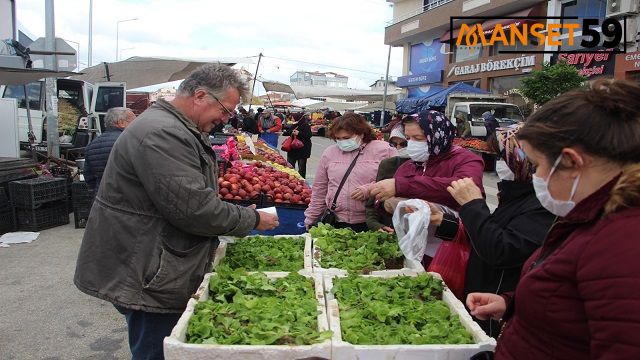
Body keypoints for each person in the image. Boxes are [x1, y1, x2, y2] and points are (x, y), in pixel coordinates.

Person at [74, 64, 279, 360]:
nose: (225, 119)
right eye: (224, 110)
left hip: (149, 258)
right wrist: (253, 218)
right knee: (156, 349)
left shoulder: (171, 126)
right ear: (199, 95)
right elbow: (194, 210)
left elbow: (185, 196)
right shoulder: (163, 133)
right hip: (147, 268)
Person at [467, 79, 640, 358]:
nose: (534, 176)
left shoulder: (622, 241)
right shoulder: (589, 215)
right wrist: (513, 304)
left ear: (571, 161)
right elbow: (573, 301)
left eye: (537, 165)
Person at [427, 125, 554, 337]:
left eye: (503, 158)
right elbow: (489, 233)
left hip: (497, 306)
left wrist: (473, 205)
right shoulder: (516, 194)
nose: (500, 165)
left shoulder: (544, 203)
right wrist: (446, 222)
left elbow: (502, 249)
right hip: (488, 298)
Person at [370, 110, 485, 266]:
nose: (412, 144)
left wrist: (401, 186)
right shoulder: (409, 166)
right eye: (408, 138)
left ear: (438, 135)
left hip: (452, 247)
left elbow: (464, 186)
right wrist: (389, 203)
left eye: (418, 138)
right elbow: (381, 201)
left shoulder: (466, 160)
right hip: (414, 249)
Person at [304, 112, 396, 232]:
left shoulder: (385, 150)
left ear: (361, 133)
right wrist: (311, 217)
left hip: (373, 221)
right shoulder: (329, 153)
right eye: (338, 139)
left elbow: (396, 182)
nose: (342, 142)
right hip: (337, 220)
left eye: (346, 138)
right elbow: (320, 188)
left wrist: (369, 189)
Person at [365, 126, 410, 232]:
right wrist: (376, 225)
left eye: (404, 144)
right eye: (394, 144)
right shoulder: (388, 164)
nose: (398, 148)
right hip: (390, 232)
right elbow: (373, 203)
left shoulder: (432, 168)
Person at [83, 107, 136, 191]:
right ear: (121, 122)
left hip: (102, 196)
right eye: (133, 122)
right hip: (127, 196)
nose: (136, 125)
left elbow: (88, 176)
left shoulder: (91, 145)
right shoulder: (129, 141)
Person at [282, 113, 312, 178]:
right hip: (293, 149)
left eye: (293, 118)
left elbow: (309, 135)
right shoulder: (294, 125)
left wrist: (299, 133)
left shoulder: (305, 126)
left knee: (301, 168)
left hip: (303, 149)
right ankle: (290, 178)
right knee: (290, 165)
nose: (292, 119)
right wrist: (287, 132)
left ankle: (301, 180)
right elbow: (289, 132)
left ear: (298, 118)